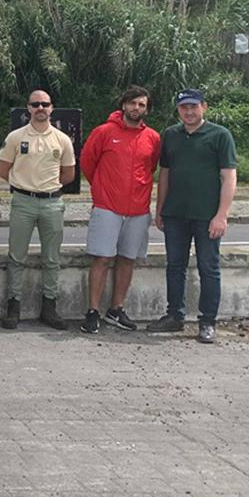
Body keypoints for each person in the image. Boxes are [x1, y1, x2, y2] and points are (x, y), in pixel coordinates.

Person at [147, 89, 236, 344]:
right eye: (184, 107)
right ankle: (174, 315)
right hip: (175, 214)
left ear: (204, 107)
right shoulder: (171, 135)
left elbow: (229, 176)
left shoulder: (220, 135)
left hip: (207, 216)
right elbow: (165, 174)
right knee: (175, 266)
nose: (189, 112)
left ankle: (207, 321)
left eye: (193, 107)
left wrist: (222, 215)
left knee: (209, 268)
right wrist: (160, 209)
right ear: (178, 110)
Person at [79, 87, 161, 334]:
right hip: (107, 207)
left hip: (138, 209)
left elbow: (151, 167)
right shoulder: (104, 132)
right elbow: (88, 162)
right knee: (102, 259)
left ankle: (116, 310)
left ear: (147, 109)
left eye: (142, 105)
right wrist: (102, 188)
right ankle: (93, 311)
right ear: (124, 105)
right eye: (133, 103)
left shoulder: (153, 137)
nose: (136, 108)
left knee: (127, 259)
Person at [0, 90, 76, 330]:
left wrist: (48, 187)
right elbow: (3, 170)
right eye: (35, 104)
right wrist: (24, 184)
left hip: (52, 202)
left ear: (51, 108)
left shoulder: (62, 139)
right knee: (16, 257)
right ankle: (13, 306)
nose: (40, 108)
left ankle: (49, 307)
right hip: (23, 202)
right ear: (28, 108)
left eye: (45, 104)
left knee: (51, 258)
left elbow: (69, 173)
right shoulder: (15, 137)